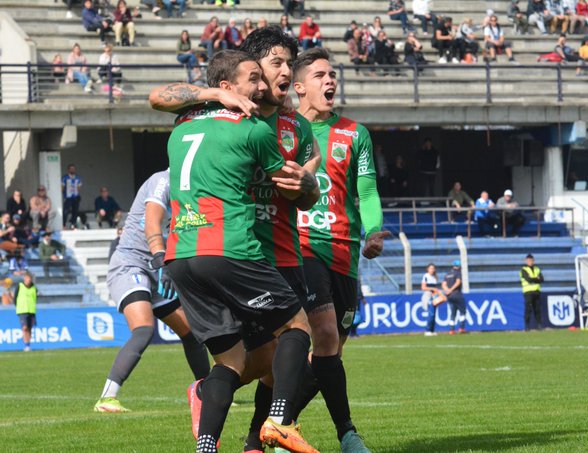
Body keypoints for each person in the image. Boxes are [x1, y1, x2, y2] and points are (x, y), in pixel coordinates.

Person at [149, 27, 322, 451]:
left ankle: (220, 436)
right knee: (297, 334)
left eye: (284, 67)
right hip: (236, 248)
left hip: (193, 251)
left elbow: (302, 196)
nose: (271, 80)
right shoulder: (251, 127)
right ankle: (277, 424)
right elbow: (156, 96)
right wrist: (307, 177)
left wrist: (310, 179)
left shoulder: (190, 122)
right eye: (266, 70)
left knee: (252, 360)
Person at [292, 47, 388, 452]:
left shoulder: (354, 132)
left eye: (332, 74)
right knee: (325, 332)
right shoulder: (282, 129)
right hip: (301, 247)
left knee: (329, 352)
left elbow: (365, 190)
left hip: (346, 253)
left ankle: (277, 424)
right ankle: (348, 434)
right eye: (319, 75)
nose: (330, 80)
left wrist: (376, 230)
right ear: (299, 87)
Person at [94, 171, 211, 414]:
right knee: (144, 329)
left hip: (158, 270)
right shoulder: (163, 181)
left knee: (192, 333)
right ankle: (107, 397)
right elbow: (152, 223)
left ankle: (208, 392)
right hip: (131, 264)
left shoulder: (193, 186)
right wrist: (163, 259)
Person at [14, 272, 37, 352]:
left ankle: (28, 345)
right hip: (22, 310)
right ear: (24, 279)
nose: (28, 280)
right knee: (25, 328)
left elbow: (35, 298)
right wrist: (18, 306)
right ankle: (26, 344)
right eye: (27, 279)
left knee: (30, 329)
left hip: (31, 310)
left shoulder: (34, 288)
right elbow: (15, 298)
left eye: (29, 279)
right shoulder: (20, 286)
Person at [442, 260, 467, 334]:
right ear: (459, 267)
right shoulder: (458, 273)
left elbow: (443, 284)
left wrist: (447, 290)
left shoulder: (448, 274)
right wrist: (451, 290)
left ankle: (451, 330)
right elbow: (458, 282)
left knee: (453, 313)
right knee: (463, 312)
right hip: (457, 294)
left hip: (449, 296)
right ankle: (461, 328)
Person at [520, 254, 544, 330]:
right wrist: (536, 279)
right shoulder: (523, 270)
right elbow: (528, 280)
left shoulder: (537, 269)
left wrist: (534, 279)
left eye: (531, 260)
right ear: (526, 261)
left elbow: (542, 279)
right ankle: (527, 326)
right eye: (529, 260)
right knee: (528, 309)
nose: (530, 262)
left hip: (536, 291)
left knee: (537, 309)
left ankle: (539, 325)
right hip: (528, 292)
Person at [421, 263, 445, 336]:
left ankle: (432, 330)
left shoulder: (434, 277)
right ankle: (427, 330)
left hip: (434, 296)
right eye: (430, 268)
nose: (432, 270)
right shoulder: (426, 276)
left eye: (433, 268)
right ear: (427, 269)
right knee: (431, 313)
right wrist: (433, 288)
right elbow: (423, 288)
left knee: (434, 314)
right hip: (428, 295)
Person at [61, 164, 82, 229]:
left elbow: (79, 187)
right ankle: (63, 224)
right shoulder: (65, 177)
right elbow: (62, 187)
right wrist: (64, 193)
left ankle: (73, 224)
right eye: (71, 168)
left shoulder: (78, 178)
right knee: (66, 211)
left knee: (75, 211)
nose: (73, 170)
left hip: (75, 197)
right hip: (68, 197)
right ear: (68, 170)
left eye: (74, 168)